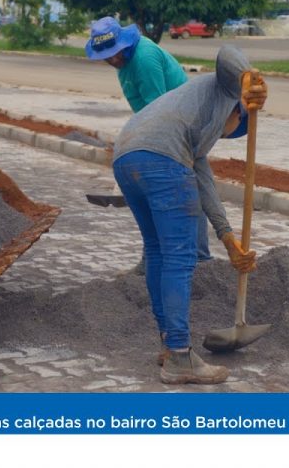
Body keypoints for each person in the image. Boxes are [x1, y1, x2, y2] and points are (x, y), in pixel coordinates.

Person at [112, 45, 267, 385]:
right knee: (180, 258)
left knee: (157, 252)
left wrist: (229, 240)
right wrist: (247, 78)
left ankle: (169, 345)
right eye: (230, 130)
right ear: (238, 112)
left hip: (126, 156)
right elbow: (227, 54)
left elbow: (205, 185)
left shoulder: (191, 121)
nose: (224, 134)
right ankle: (181, 356)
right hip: (161, 158)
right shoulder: (225, 89)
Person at [84, 17, 213, 269]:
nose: (113, 59)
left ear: (123, 43)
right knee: (160, 190)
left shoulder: (143, 59)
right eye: (107, 57)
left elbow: (159, 111)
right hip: (163, 127)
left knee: (188, 190)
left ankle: (199, 259)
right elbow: (145, 112)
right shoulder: (125, 63)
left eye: (115, 53)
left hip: (182, 130)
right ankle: (158, 258)